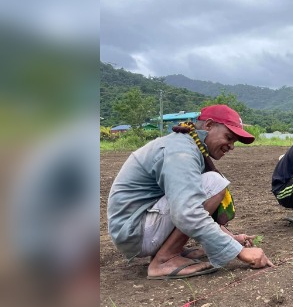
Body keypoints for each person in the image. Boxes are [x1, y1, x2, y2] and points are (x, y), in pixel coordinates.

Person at [107, 105, 274, 280]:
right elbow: (188, 212)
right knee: (214, 183)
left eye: (234, 142)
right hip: (135, 232)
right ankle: (164, 260)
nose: (231, 146)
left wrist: (232, 238)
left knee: (204, 187)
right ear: (208, 125)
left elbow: (194, 206)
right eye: (229, 137)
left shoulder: (187, 144)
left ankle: (170, 251)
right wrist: (240, 252)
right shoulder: (181, 152)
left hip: (136, 229)